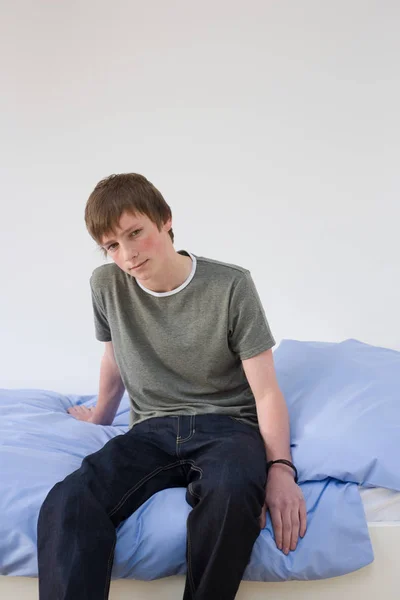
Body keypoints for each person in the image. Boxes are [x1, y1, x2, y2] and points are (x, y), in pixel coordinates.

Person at [37, 173, 307, 600]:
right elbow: (113, 356)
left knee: (233, 496)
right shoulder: (105, 285)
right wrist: (100, 416)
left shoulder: (231, 285)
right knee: (67, 501)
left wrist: (280, 469)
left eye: (134, 233)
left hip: (227, 428)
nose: (126, 254)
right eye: (111, 245)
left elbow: (267, 391)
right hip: (150, 430)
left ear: (164, 220)